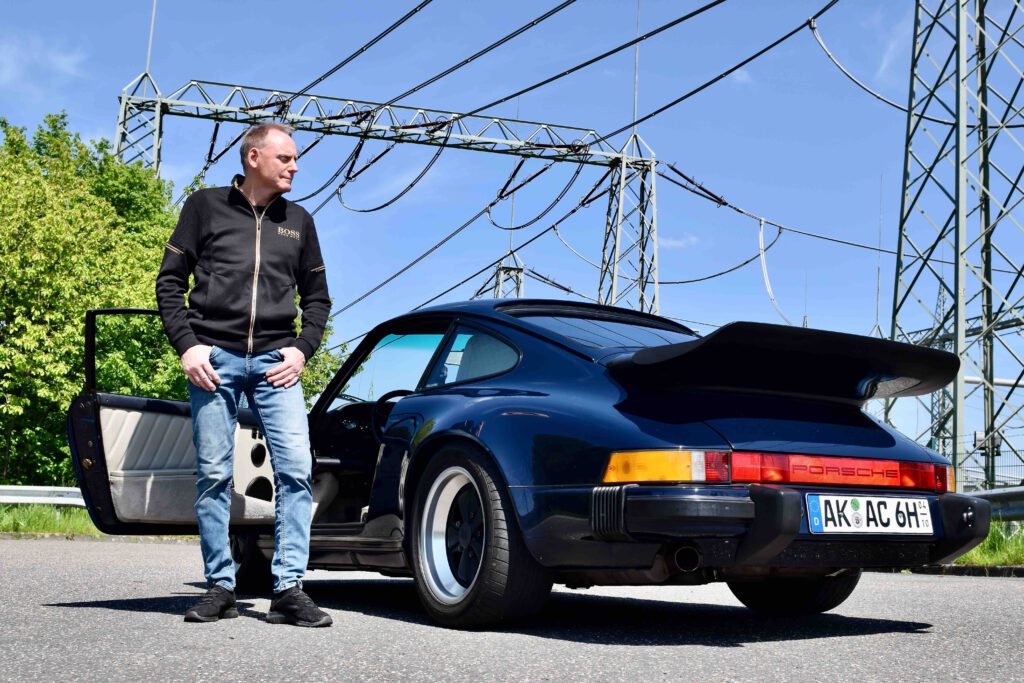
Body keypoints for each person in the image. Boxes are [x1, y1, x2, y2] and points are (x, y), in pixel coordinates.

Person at [156, 122, 333, 627]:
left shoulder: (299, 220)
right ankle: (220, 586)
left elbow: (318, 299)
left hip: (278, 363)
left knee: (297, 470)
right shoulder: (204, 207)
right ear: (254, 158)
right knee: (213, 474)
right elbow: (169, 282)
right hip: (215, 360)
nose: (294, 167)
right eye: (286, 159)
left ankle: (289, 588)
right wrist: (188, 348)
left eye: (295, 159)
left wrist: (302, 350)